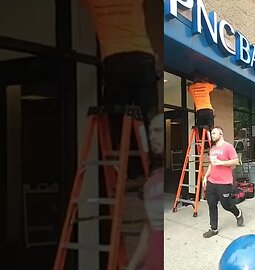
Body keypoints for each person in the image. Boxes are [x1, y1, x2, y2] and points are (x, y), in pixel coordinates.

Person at [81, 0, 162, 171]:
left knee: (117, 117)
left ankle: (123, 167)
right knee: (149, 115)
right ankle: (154, 166)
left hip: (114, 60)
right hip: (142, 57)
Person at [127, 114, 164, 270]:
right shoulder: (152, 181)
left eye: (158, 131)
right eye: (150, 132)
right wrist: (133, 265)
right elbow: (149, 229)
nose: (152, 137)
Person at [202, 127, 244, 238]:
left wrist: (221, 162)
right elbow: (212, 165)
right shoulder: (212, 149)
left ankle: (238, 213)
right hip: (212, 181)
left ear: (221, 133)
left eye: (214, 133)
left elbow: (236, 161)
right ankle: (213, 228)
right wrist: (206, 177)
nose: (212, 135)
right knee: (211, 205)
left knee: (226, 205)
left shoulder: (228, 147)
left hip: (224, 182)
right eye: (211, 134)